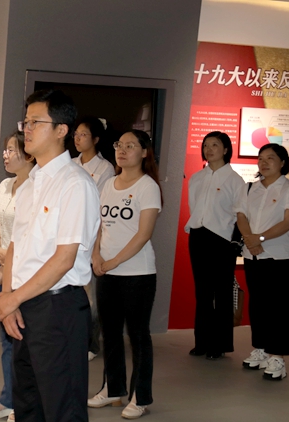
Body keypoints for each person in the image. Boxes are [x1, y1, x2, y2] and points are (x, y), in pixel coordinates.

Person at [0, 89, 100, 422]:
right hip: (24, 304)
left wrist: (13, 299)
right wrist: (9, 297)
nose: (26, 129)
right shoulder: (29, 185)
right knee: (28, 403)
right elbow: (16, 247)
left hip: (58, 308)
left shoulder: (75, 184)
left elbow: (64, 259)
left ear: (61, 130)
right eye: (25, 122)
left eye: (35, 122)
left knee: (62, 407)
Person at [88, 130, 162, 420]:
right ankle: (113, 389)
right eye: (120, 145)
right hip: (106, 271)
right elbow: (98, 225)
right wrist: (96, 256)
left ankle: (140, 396)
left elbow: (143, 234)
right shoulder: (109, 184)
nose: (122, 150)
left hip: (137, 274)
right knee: (110, 334)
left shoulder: (148, 187)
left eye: (131, 146)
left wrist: (113, 261)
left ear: (144, 152)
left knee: (139, 336)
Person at [236, 143, 289, 381]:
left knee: (279, 307)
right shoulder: (249, 189)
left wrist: (261, 238)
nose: (264, 162)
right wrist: (250, 239)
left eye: (270, 158)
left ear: (283, 162)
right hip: (253, 254)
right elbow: (241, 216)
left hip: (278, 255)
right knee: (258, 304)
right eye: (261, 158)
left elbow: (288, 221)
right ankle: (261, 348)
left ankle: (278, 356)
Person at [0, 131, 35, 421]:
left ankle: (25, 403)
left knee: (25, 339)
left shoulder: (37, 187)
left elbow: (30, 238)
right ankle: (10, 397)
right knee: (7, 339)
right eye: (5, 150)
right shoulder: (4, 185)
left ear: (28, 154)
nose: (6, 155)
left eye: (11, 150)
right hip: (1, 265)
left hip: (24, 271)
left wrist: (7, 266)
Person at [184, 131, 245, 360]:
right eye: (206, 145)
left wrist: (235, 241)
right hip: (198, 236)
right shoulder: (197, 178)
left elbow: (240, 214)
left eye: (215, 145)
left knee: (222, 292)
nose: (209, 149)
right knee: (202, 292)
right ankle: (201, 342)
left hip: (222, 239)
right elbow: (194, 207)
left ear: (226, 149)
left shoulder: (235, 180)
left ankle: (219, 344)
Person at [73, 116, 116, 361]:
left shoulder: (105, 168)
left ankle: (92, 344)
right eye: (76, 134)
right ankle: (74, 338)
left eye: (83, 135)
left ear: (96, 139)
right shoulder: (71, 163)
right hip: (70, 233)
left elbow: (100, 206)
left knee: (90, 295)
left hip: (91, 234)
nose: (78, 139)